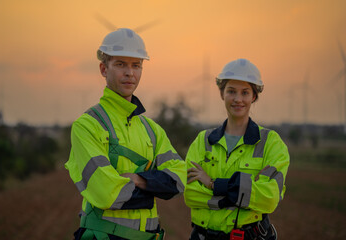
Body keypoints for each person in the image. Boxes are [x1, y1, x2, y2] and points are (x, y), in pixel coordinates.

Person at [65, 28, 186, 240]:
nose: (130, 73)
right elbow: (106, 193)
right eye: (121, 64)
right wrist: (156, 188)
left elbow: (179, 179)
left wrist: (139, 180)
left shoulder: (152, 130)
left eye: (136, 65)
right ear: (104, 68)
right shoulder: (87, 126)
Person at [184, 58, 290, 240]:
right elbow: (191, 194)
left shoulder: (271, 143)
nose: (238, 99)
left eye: (245, 92)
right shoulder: (203, 140)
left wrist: (212, 184)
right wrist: (243, 194)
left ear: (254, 96)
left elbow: (270, 197)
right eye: (231, 91)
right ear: (222, 94)